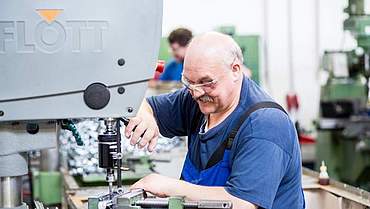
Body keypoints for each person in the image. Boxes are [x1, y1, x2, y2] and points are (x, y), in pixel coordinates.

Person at [125, 32, 305, 209]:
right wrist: (145, 115)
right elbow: (145, 105)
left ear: (235, 70)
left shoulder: (265, 124)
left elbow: (242, 203)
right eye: (188, 82)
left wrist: (168, 187)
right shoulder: (196, 100)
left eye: (206, 82)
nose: (196, 93)